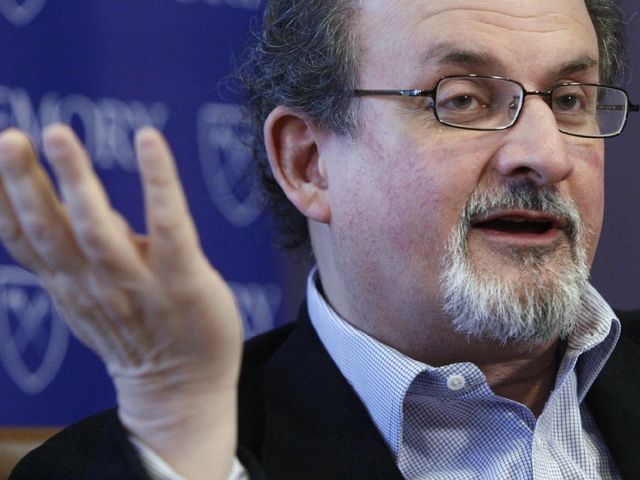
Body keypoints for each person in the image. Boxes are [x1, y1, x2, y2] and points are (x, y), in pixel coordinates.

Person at [4, 0, 640, 478]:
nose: (547, 154)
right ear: (308, 163)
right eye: (463, 100)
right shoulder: (171, 456)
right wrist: (188, 445)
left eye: (568, 99)